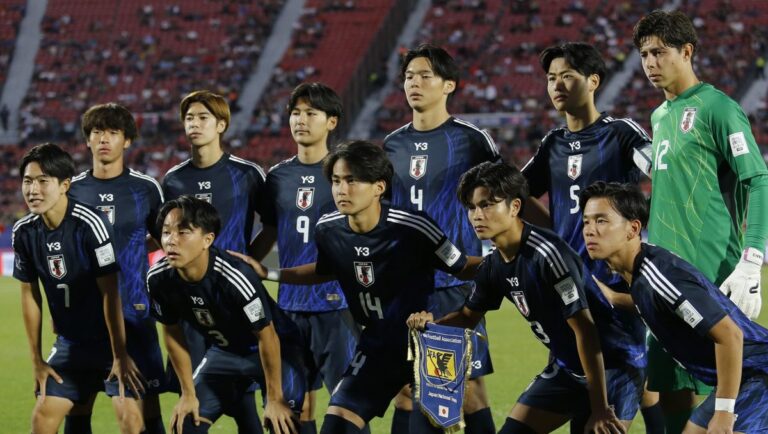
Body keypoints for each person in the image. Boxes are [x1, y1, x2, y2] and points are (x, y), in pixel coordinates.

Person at [231, 141, 480, 434]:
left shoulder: (414, 226)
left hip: (428, 341)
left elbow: (461, 265)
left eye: (352, 180)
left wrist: (504, 263)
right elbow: (325, 271)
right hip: (376, 345)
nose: (341, 189)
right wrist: (269, 273)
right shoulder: (328, 228)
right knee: (336, 425)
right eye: (336, 181)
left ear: (379, 187)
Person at [408, 162, 627, 434]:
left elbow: (585, 330)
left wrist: (600, 407)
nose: (477, 215)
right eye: (472, 207)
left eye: (487, 204)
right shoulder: (494, 265)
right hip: (569, 370)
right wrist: (428, 325)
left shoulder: (547, 255)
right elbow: (467, 318)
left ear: (514, 207)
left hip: (613, 369)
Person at [634, 10, 768, 431]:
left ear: (687, 51)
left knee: (733, 396)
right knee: (673, 389)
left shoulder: (717, 107)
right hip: (665, 279)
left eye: (659, 52)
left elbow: (758, 178)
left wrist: (752, 259)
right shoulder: (659, 118)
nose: (650, 63)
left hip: (712, 276)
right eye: (643, 54)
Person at [522, 42, 662, 432]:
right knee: (584, 387)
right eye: (551, 79)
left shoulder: (620, 133)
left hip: (615, 284)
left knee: (624, 368)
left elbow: (661, 173)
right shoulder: (552, 143)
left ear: (593, 81)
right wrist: (554, 236)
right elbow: (518, 191)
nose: (557, 85)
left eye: (567, 76)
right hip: (570, 285)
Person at [581, 181, 768, 433]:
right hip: (746, 376)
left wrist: (724, 411)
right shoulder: (641, 273)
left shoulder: (659, 275)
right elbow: (657, 303)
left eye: (601, 221)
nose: (590, 230)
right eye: (586, 221)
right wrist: (613, 298)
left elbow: (729, 335)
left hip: (760, 374)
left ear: (633, 228)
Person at [382, 44, 498, 434]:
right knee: (404, 386)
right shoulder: (392, 145)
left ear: (449, 84)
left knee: (466, 387)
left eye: (425, 75)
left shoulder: (471, 140)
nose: (414, 83)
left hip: (455, 282)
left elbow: (502, 196)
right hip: (403, 285)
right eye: (409, 76)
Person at [250, 83, 361, 434]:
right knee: (287, 414)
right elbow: (270, 229)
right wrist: (242, 265)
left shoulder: (347, 174)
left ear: (331, 122)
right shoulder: (278, 177)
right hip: (289, 309)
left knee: (348, 410)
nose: (301, 120)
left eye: (311, 113)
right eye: (296, 113)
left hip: (338, 307)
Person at [12, 143, 145, 434]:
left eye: (43, 181)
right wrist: (36, 359)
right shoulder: (23, 231)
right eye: (28, 181)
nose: (33, 189)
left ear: (64, 185)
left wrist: (121, 355)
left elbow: (111, 292)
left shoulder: (90, 224)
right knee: (42, 419)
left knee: (130, 420)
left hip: (111, 344)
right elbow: (29, 295)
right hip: (70, 345)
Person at [147, 196, 305, 434]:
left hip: (276, 351)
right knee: (185, 424)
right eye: (167, 232)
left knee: (283, 424)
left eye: (183, 232)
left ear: (207, 239)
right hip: (225, 353)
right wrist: (188, 393)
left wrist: (274, 399)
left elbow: (267, 336)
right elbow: (171, 332)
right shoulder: (159, 279)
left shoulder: (234, 276)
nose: (171, 241)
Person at [162, 90, 268, 430]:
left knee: (242, 395)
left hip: (236, 298)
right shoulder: (173, 180)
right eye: (189, 118)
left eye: (203, 118)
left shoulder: (248, 174)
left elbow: (274, 225)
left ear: (221, 124)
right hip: (192, 302)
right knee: (192, 399)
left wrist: (249, 262)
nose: (194, 124)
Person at [66, 103, 166, 434]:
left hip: (135, 312)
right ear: (87, 140)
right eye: (97, 132)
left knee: (146, 404)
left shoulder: (146, 188)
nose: (104, 139)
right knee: (79, 401)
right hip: (85, 315)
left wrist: (133, 251)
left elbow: (164, 237)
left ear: (127, 141)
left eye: (113, 132)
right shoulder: (73, 190)